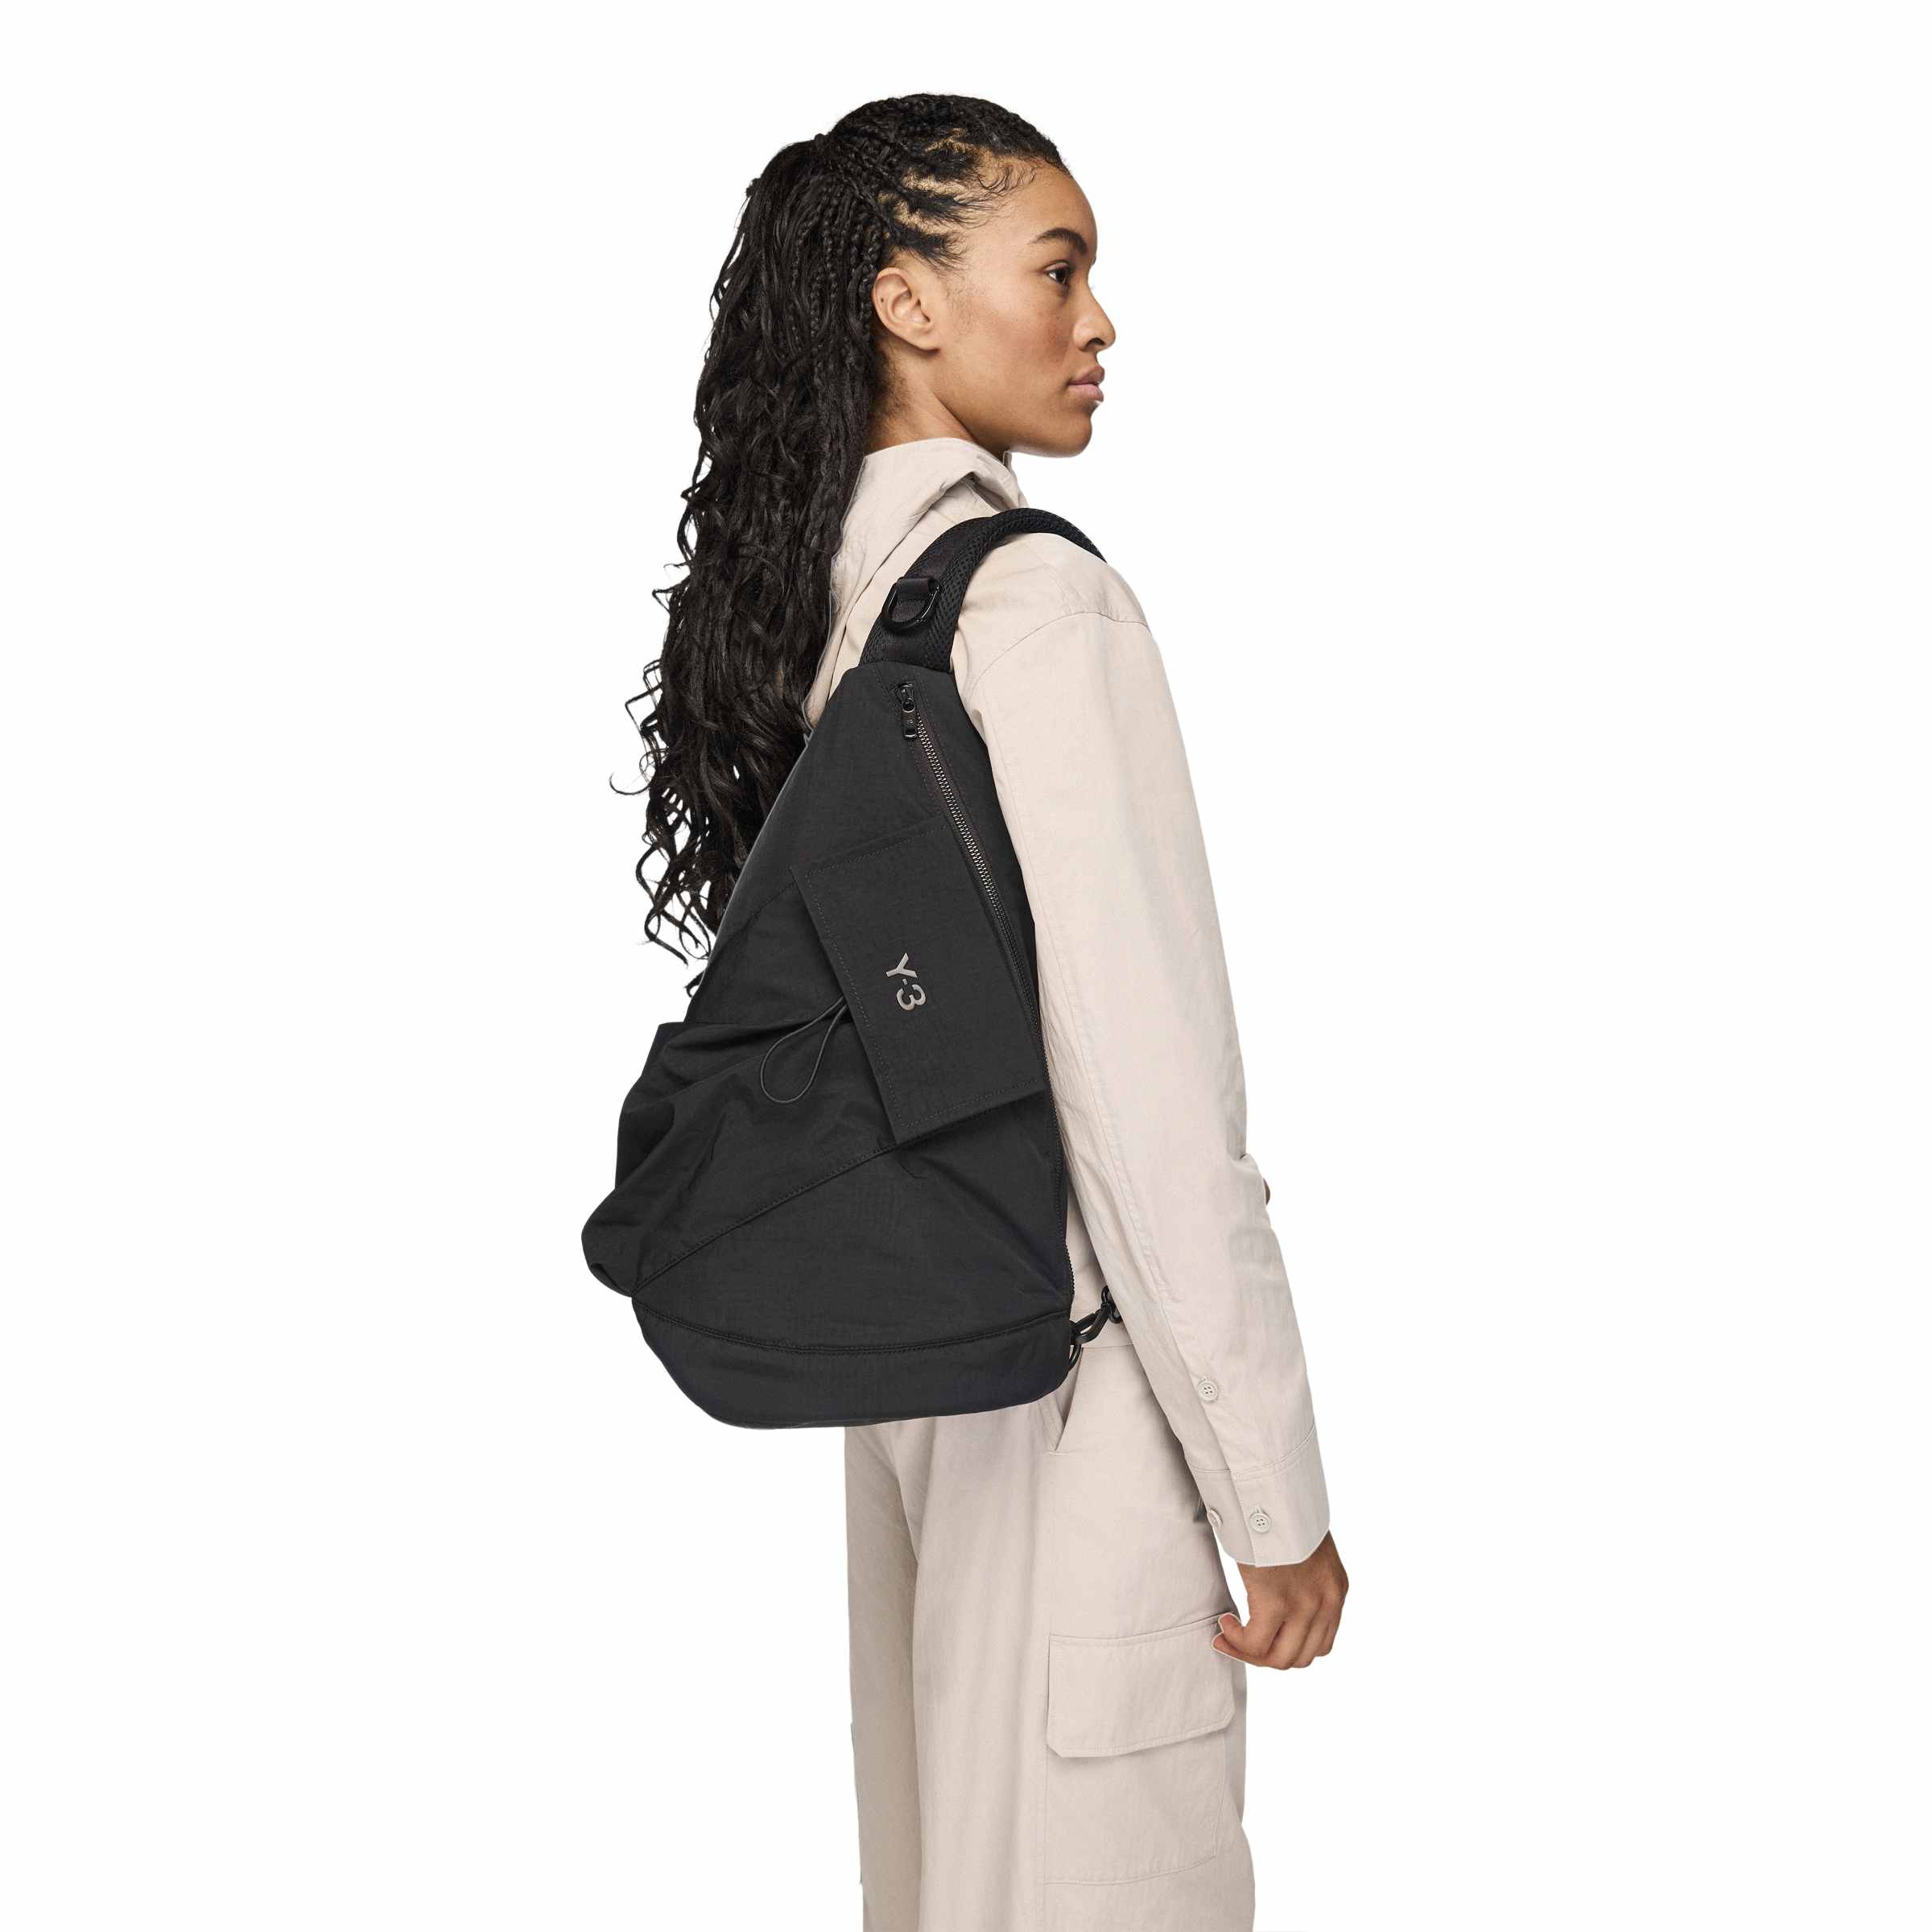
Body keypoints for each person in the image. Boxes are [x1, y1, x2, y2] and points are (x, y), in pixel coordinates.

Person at [631, 93, 1347, 1932]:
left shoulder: (849, 620)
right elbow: (1150, 1100)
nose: (1100, 321)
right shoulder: (1034, 610)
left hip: (920, 1384)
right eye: (1059, 268)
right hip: (1082, 1396)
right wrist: (1274, 1496)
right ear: (908, 302)